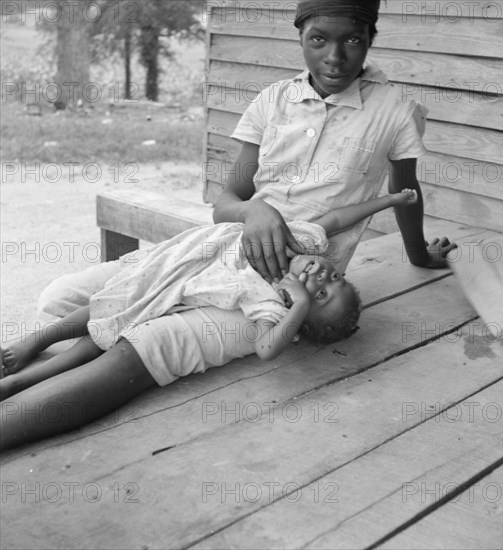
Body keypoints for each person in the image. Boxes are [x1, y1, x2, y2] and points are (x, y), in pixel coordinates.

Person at [1, 0, 456, 449]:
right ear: (299, 35)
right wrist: (253, 211)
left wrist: (419, 255)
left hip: (276, 285)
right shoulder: (272, 100)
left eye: (353, 40)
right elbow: (226, 203)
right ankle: (49, 373)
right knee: (61, 297)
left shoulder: (393, 110)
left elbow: (406, 190)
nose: (334, 57)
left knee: (141, 347)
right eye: (318, 39)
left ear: (371, 39)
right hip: (220, 247)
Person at [1, 189, 418, 406]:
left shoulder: (268, 299)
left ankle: (23, 380)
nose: (323, 275)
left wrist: (299, 303)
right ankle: (35, 341)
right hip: (177, 255)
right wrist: (391, 200)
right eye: (337, 277)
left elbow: (267, 348)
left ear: (299, 309)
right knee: (108, 300)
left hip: (172, 288)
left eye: (321, 294)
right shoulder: (305, 240)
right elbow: (339, 217)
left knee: (110, 322)